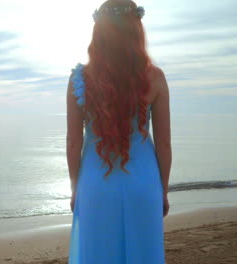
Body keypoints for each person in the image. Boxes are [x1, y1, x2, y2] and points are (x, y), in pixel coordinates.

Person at [66, 0, 171, 263]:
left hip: (95, 183)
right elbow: (165, 144)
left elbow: (72, 143)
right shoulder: (155, 78)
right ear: (136, 30)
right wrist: (163, 190)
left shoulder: (79, 79)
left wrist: (75, 188)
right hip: (144, 183)